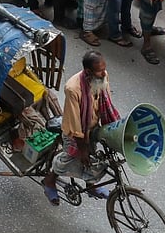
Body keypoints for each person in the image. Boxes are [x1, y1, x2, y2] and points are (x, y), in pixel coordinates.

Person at [41, 50, 120, 205]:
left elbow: (106, 100)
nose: (104, 73)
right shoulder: (73, 88)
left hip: (93, 126)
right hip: (75, 130)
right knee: (68, 157)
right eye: (99, 71)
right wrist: (82, 149)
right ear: (88, 71)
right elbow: (75, 124)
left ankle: (90, 185)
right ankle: (49, 180)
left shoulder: (103, 75)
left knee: (92, 157)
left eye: (104, 69)